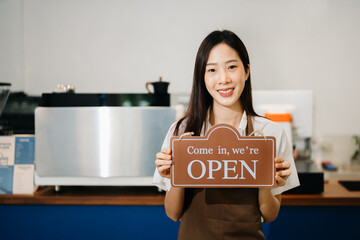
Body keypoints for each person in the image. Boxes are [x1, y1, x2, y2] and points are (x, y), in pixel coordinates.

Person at [153, 30, 299, 240]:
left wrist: (268, 184)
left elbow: (270, 214)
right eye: (212, 70)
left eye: (232, 67)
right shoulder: (181, 131)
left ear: (247, 71)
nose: (223, 79)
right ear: (202, 77)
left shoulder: (270, 133)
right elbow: (172, 213)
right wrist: (174, 176)